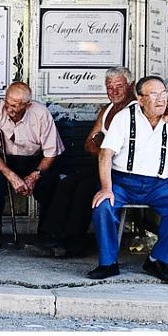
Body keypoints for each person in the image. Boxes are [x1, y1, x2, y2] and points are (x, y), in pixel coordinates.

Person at [87, 75, 168, 283]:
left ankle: (157, 259)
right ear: (140, 99)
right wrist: (106, 188)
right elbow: (106, 153)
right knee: (103, 207)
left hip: (158, 185)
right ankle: (108, 263)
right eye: (154, 94)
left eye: (163, 94)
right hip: (122, 181)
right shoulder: (124, 117)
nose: (161, 99)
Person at [40, 66, 136, 257]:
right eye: (109, 87)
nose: (114, 91)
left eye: (119, 86)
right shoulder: (107, 110)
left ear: (131, 86)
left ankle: (74, 243)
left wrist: (102, 144)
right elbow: (89, 143)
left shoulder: (134, 111)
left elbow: (122, 151)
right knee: (67, 183)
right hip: (100, 164)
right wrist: (104, 149)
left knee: (85, 188)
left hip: (120, 171)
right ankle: (50, 236)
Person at [0, 82, 65, 251]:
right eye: (8, 102)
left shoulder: (40, 114)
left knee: (50, 182)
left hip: (34, 161)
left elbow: (51, 153)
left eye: (16, 105)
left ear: (27, 105)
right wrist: (12, 177)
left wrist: (33, 177)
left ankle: (47, 234)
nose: (10, 108)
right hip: (3, 160)